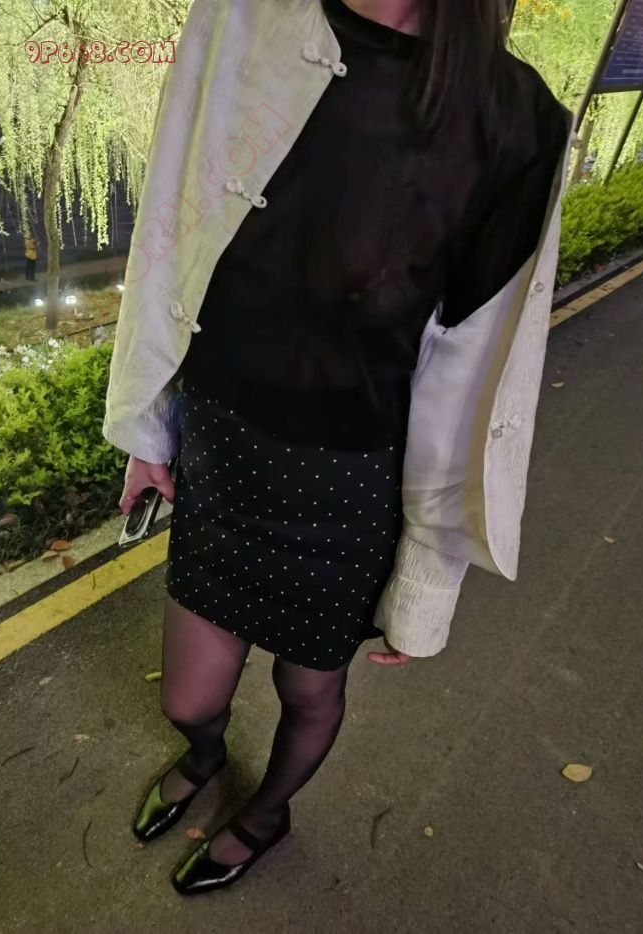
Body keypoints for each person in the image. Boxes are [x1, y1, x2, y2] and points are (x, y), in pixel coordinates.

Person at [104, 0, 572, 896]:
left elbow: (477, 375)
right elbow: (171, 223)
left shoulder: (514, 120)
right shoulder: (241, 15)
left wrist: (426, 581)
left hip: (346, 483)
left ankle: (266, 813)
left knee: (309, 689)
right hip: (222, 443)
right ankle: (204, 756)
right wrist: (146, 423)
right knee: (188, 697)